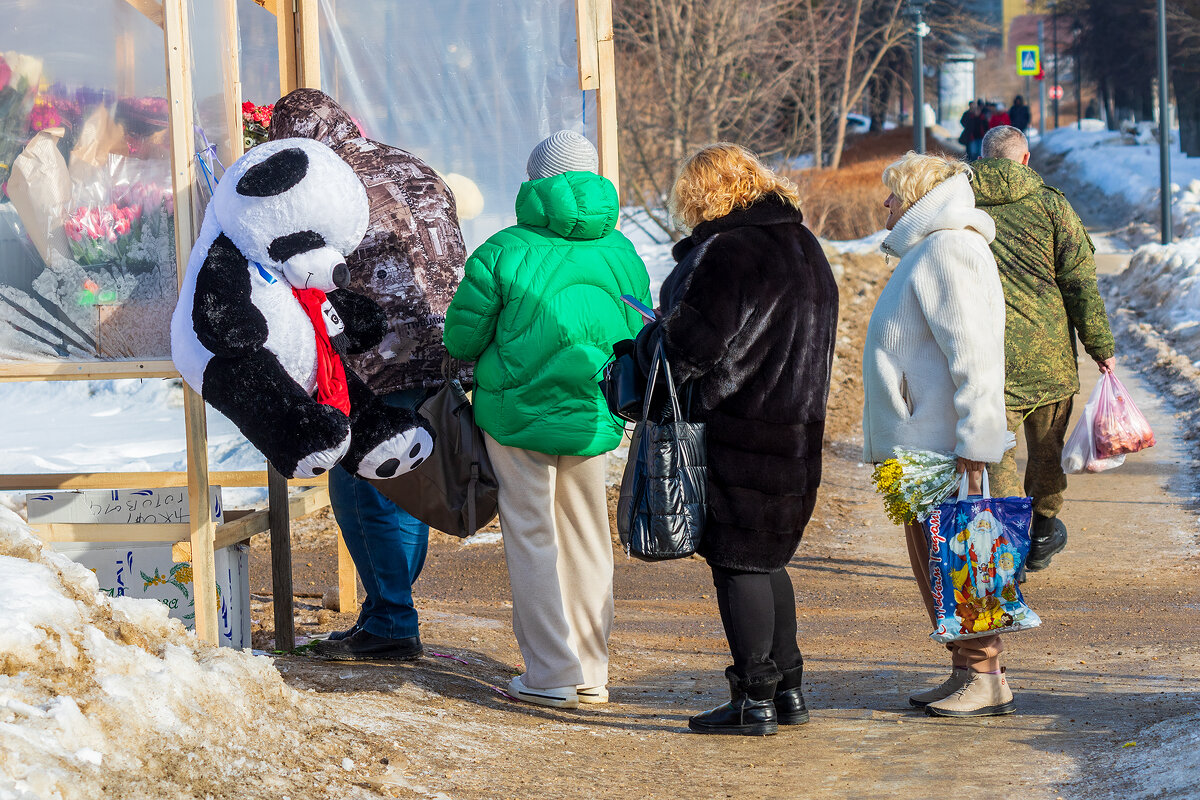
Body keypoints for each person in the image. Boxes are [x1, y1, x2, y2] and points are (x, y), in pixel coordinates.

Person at [633, 143, 839, 736]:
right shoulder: (803, 245)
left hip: (737, 429)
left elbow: (694, 347)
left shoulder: (730, 252)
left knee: (737, 563)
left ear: (703, 194)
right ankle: (790, 691)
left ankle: (754, 700)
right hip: (795, 429)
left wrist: (647, 345)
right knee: (769, 558)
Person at [443, 131, 650, 709]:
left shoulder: (503, 249)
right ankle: (591, 670)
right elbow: (638, 334)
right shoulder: (623, 252)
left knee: (533, 536)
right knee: (588, 535)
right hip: (594, 411)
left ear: (536, 184)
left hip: (516, 416)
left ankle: (551, 671)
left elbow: (461, 336)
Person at [268, 88, 470, 662]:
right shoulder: (410, 162)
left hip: (380, 350)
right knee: (409, 476)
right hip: (445, 339)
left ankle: (391, 619)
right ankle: (390, 609)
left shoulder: (321, 182)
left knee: (361, 480)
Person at [864, 152, 1012, 717]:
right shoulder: (930, 251)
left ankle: (985, 674)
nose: (887, 203)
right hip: (921, 442)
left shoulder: (949, 250)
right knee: (936, 558)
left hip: (944, 445)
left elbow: (975, 355)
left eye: (895, 193)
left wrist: (977, 443)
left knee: (960, 555)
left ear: (921, 198)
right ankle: (965, 669)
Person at [972, 126, 1115, 572]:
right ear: (1026, 159)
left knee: (996, 455)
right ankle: (1041, 530)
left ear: (982, 158)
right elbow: (1079, 283)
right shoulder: (1052, 205)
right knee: (1046, 453)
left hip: (983, 357)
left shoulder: (960, 205)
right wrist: (1100, 347)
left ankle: (1006, 550)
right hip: (1048, 359)